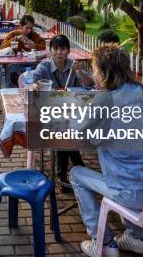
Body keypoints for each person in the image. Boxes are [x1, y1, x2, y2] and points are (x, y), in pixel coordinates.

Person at [70, 43, 143, 257]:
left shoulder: (105, 100)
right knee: (127, 171)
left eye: (96, 70)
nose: (95, 76)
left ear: (105, 72)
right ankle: (137, 237)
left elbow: (79, 130)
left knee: (77, 174)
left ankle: (102, 242)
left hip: (133, 193)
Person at [33, 34, 95, 189]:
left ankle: (63, 174)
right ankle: (76, 168)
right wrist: (36, 87)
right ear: (51, 51)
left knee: (64, 132)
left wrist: (80, 73)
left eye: (63, 49)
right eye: (56, 48)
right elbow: (34, 84)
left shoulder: (74, 66)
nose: (59, 52)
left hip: (72, 110)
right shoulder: (44, 67)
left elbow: (89, 85)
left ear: (68, 51)